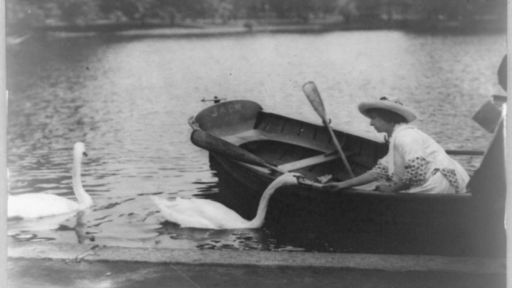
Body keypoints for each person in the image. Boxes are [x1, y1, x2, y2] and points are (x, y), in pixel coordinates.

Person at [322, 97, 470, 194]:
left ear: (389, 120)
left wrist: (391, 190)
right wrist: (344, 185)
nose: (371, 123)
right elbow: (379, 172)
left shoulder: (406, 137)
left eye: (374, 118)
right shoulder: (399, 136)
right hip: (442, 183)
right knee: (381, 185)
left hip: (439, 186)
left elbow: (416, 172)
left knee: (385, 189)